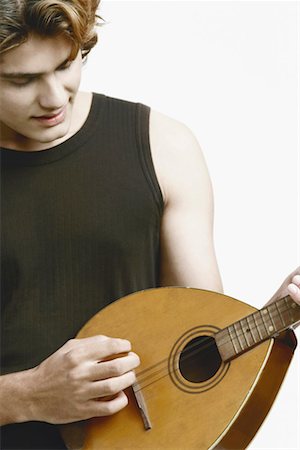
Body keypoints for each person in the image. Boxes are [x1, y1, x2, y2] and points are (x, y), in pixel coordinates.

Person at [0, 0, 299, 448]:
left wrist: (275, 316)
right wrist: (28, 396)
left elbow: (202, 346)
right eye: (21, 80)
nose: (54, 97)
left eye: (66, 65)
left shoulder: (164, 147)